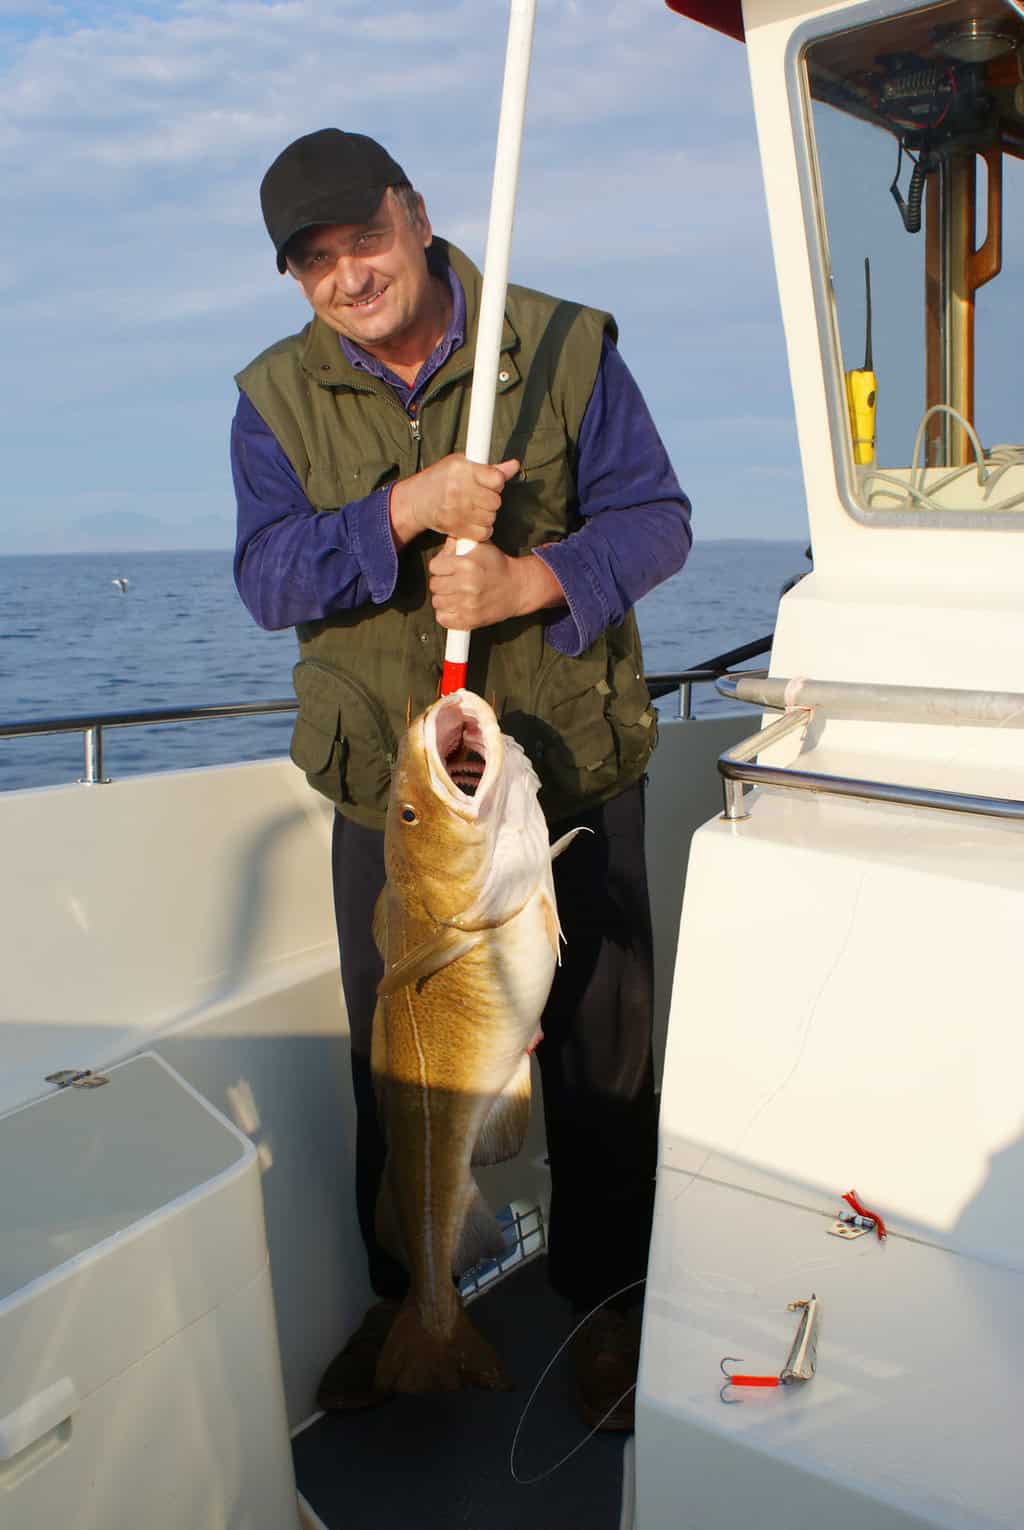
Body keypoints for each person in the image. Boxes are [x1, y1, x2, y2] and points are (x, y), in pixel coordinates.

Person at [232, 128, 692, 1432]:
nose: (345, 274)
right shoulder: (273, 401)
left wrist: (529, 581)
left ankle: (608, 1309)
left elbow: (657, 518)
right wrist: (401, 509)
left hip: (568, 773)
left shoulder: (563, 347)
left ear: (416, 215)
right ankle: (411, 1301)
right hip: (401, 791)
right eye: (312, 260)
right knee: (410, 1064)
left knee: (605, 1062)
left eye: (360, 238)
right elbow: (269, 575)